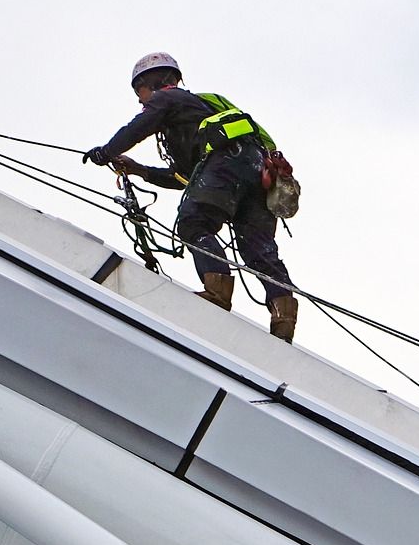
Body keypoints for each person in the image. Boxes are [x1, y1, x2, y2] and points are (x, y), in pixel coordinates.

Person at [83, 52, 298, 342]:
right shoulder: (198, 116)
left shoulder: (169, 98)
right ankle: (284, 316)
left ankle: (218, 293)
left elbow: (138, 127)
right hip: (257, 176)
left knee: (193, 223)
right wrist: (140, 170)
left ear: (154, 82)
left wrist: (105, 152)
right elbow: (185, 177)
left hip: (226, 165)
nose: (140, 100)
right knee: (256, 249)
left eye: (139, 91)